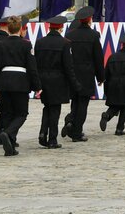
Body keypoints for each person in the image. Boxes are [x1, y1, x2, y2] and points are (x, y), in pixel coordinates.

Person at [0, 16, 41, 156]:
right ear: (20, 28)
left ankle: (9, 145)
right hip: (21, 82)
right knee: (22, 113)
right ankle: (8, 133)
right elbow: (32, 67)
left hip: (4, 82)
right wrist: (37, 86)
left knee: (8, 113)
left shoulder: (0, 44)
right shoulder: (26, 45)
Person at [34, 15, 79, 149]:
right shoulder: (65, 43)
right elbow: (68, 66)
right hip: (58, 80)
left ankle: (43, 133)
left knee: (47, 107)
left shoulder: (40, 42)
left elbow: (36, 62)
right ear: (61, 27)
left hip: (43, 79)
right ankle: (52, 138)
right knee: (55, 110)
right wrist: (75, 84)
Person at [63, 7, 104, 142]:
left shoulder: (69, 35)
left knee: (75, 101)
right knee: (83, 104)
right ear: (89, 20)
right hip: (87, 73)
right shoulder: (94, 35)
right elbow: (98, 57)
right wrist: (100, 76)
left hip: (73, 73)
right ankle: (77, 131)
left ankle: (70, 121)